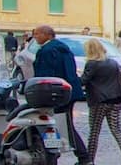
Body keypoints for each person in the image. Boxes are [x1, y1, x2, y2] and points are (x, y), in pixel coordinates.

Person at [32, 25, 90, 164]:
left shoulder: (46, 51)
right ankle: (77, 156)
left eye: (37, 34)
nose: (35, 37)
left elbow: (44, 75)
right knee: (64, 124)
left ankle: (81, 157)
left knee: (56, 125)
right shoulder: (63, 48)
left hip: (55, 93)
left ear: (47, 35)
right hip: (68, 91)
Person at [81, 39, 121, 165]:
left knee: (94, 132)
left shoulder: (92, 64)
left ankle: (90, 159)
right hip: (115, 99)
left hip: (99, 101)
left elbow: (83, 80)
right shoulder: (112, 63)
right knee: (116, 129)